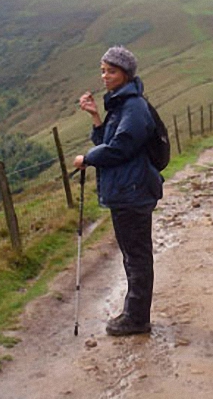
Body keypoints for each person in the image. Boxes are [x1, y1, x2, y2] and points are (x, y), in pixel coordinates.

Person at [73, 46, 163, 336]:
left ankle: (136, 319)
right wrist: (96, 118)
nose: (104, 76)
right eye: (103, 70)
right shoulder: (120, 105)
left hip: (132, 192)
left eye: (111, 71)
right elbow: (110, 141)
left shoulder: (133, 107)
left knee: (136, 256)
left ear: (125, 74)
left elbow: (120, 148)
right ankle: (134, 313)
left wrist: (87, 158)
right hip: (127, 191)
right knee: (132, 255)